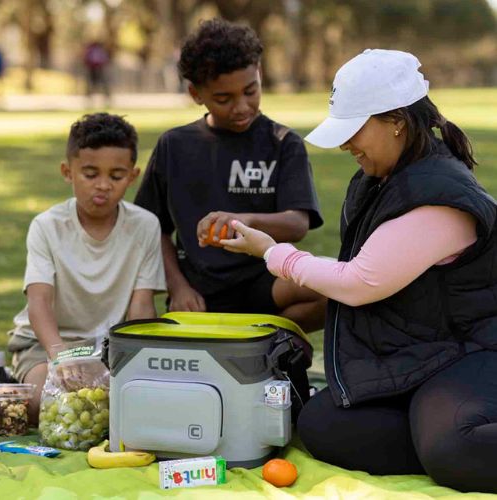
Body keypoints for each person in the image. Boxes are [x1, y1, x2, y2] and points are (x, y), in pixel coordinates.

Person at [220, 49, 497, 493]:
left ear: (396, 121)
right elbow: (368, 272)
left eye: (354, 131)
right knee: (322, 423)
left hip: (471, 351)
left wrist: (275, 253)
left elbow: (358, 283)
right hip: (425, 351)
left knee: (454, 449)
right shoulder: (386, 177)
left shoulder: (439, 197)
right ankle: (444, 435)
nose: (347, 145)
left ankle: (452, 442)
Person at [134, 18, 325, 332]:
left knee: (330, 289)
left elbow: (298, 223)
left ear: (259, 74)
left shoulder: (282, 142)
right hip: (199, 292)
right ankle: (242, 343)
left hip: (265, 281)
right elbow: (152, 228)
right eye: (224, 99)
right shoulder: (174, 145)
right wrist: (177, 287)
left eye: (250, 91)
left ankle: (268, 345)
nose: (241, 107)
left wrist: (246, 219)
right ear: (196, 93)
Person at [7, 113, 166, 423]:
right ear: (68, 172)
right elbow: (38, 301)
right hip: (45, 345)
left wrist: (137, 361)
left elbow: (142, 306)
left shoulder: (145, 226)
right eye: (90, 174)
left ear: (132, 176)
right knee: (49, 407)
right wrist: (60, 355)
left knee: (122, 405)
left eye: (116, 176)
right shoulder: (47, 226)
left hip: (109, 348)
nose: (103, 186)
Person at [83, 41, 111, 107]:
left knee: (102, 85)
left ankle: (106, 99)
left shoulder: (98, 50)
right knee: (91, 85)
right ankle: (89, 100)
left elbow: (104, 59)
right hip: (92, 69)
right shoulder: (92, 50)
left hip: (99, 69)